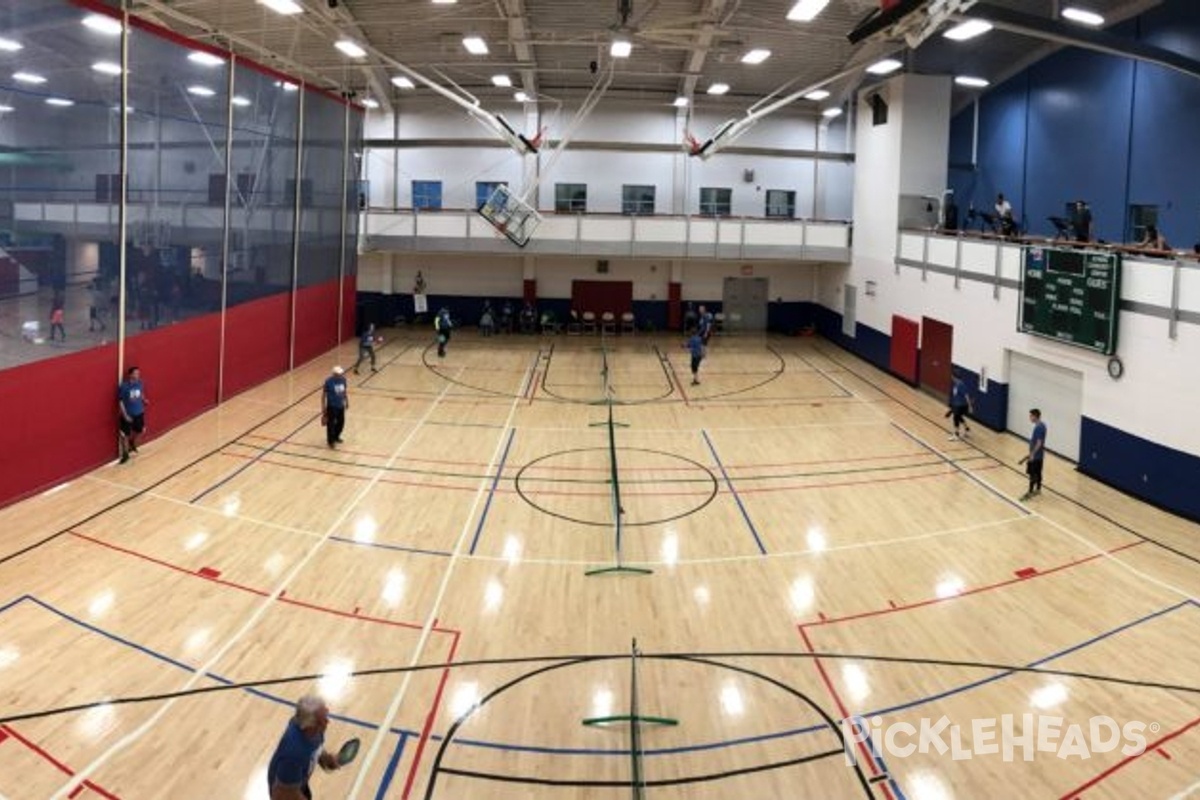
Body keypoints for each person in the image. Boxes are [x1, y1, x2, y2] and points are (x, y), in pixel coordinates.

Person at [266, 695, 341, 800]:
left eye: (326, 715)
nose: (327, 722)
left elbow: (315, 747)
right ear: (309, 726)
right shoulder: (293, 754)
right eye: (322, 720)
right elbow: (281, 795)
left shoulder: (314, 730)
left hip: (297, 783)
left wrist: (325, 758)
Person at [117, 366, 147, 464]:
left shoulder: (140, 383)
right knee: (125, 435)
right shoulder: (124, 386)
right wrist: (125, 415)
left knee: (141, 430)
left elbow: (141, 393)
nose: (138, 375)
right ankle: (125, 454)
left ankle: (132, 442)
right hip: (128, 414)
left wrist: (144, 400)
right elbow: (120, 402)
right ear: (130, 375)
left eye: (138, 373)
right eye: (136, 373)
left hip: (139, 412)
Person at [1017, 408, 1047, 501]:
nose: (1029, 418)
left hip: (1036, 456)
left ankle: (1030, 492)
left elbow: (1039, 443)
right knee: (1038, 472)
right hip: (1039, 455)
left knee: (1033, 474)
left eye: (1030, 416)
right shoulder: (1043, 425)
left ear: (1035, 416)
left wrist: (1032, 455)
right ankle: (1038, 489)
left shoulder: (1038, 428)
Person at [322, 366, 348, 448]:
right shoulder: (328, 382)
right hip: (332, 406)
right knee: (331, 424)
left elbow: (344, 391)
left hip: (340, 405)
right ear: (334, 374)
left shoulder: (343, 380)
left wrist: (347, 401)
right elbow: (323, 395)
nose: (341, 375)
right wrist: (323, 408)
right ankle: (331, 441)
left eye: (341, 374)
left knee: (341, 423)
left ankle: (336, 436)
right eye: (339, 374)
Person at [945, 370, 974, 440]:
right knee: (959, 417)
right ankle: (967, 429)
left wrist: (970, 406)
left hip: (961, 405)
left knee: (956, 418)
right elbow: (956, 396)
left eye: (952, 376)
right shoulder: (955, 384)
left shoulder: (960, 385)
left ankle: (956, 434)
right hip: (957, 404)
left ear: (954, 377)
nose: (951, 378)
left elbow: (966, 395)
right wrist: (951, 410)